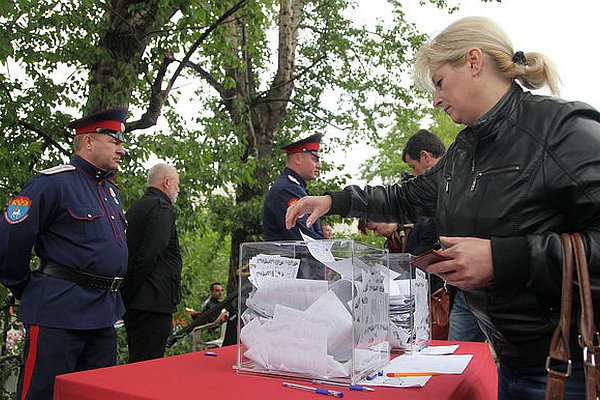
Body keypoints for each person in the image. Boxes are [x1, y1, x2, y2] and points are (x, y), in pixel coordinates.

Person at [287, 16, 599, 399]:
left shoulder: (563, 129)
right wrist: (336, 200)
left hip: (572, 368)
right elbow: (406, 198)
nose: (435, 99)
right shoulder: (466, 150)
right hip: (515, 361)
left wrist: (502, 258)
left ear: (473, 61)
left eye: (439, 82)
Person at [0, 107, 128, 399]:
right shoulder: (52, 183)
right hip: (59, 311)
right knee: (43, 394)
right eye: (115, 141)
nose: (122, 149)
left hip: (103, 313)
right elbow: (9, 237)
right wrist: (23, 287)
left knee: (98, 393)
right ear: (89, 142)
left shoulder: (109, 191)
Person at [120, 163, 182, 363]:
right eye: (177, 185)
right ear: (166, 182)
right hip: (152, 303)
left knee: (138, 360)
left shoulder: (136, 208)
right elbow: (148, 256)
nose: (178, 190)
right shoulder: (161, 208)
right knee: (147, 365)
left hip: (139, 302)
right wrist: (127, 292)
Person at [263, 133, 324, 241]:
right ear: (298, 159)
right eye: (315, 160)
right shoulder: (287, 190)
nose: (319, 166)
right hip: (293, 257)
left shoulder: (294, 187)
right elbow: (306, 239)